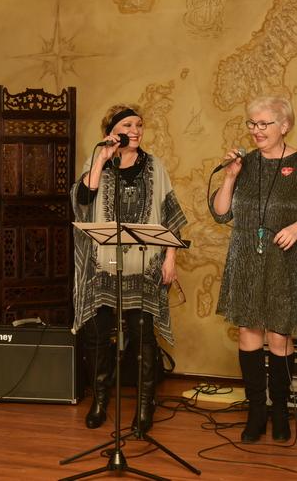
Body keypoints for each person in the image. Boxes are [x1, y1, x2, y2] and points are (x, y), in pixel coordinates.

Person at [209, 95, 297, 443]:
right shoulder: (245, 163)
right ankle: (256, 413)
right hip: (246, 260)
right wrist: (230, 177)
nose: (256, 130)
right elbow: (221, 213)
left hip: (286, 262)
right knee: (248, 333)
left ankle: (280, 412)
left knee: (280, 336)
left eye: (264, 123)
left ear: (285, 126)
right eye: (252, 123)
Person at [70, 103, 187, 433]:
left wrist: (171, 259)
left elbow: (171, 215)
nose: (135, 131)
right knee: (96, 334)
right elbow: (82, 200)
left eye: (139, 125)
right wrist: (101, 159)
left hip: (144, 266)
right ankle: (100, 400)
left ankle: (145, 406)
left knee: (142, 336)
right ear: (112, 131)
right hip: (102, 266)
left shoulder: (155, 166)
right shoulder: (98, 162)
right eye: (127, 125)